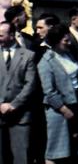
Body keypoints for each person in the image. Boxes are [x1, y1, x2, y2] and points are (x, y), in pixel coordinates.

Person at [37, 24, 78, 164]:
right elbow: (49, 91)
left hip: (74, 105)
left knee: (72, 150)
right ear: (56, 41)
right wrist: (63, 109)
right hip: (58, 111)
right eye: (65, 41)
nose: (68, 43)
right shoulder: (46, 61)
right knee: (56, 151)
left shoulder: (69, 55)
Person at [0, 21, 36, 164]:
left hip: (21, 116)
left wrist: (13, 105)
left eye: (1, 35)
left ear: (12, 35)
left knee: (22, 158)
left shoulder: (28, 56)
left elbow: (30, 84)